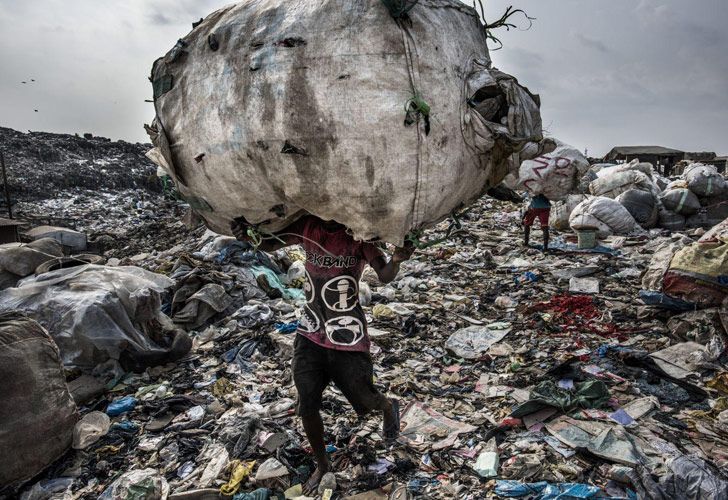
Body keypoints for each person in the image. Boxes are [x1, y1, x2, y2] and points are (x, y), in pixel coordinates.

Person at [231, 215, 414, 494]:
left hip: (347, 335)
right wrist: (248, 235)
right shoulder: (307, 226)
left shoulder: (359, 235)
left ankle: (388, 407)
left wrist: (398, 259)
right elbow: (271, 243)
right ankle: (323, 464)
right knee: (307, 402)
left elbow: (385, 275)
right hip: (311, 331)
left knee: (365, 396)